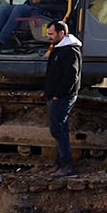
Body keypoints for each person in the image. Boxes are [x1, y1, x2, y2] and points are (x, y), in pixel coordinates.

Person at [43, 19, 83, 177]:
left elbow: (71, 78)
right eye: (48, 34)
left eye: (51, 34)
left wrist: (58, 95)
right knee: (59, 129)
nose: (49, 37)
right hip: (56, 96)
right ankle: (60, 164)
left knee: (57, 129)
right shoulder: (59, 49)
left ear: (62, 33)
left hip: (63, 97)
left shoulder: (70, 51)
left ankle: (67, 166)